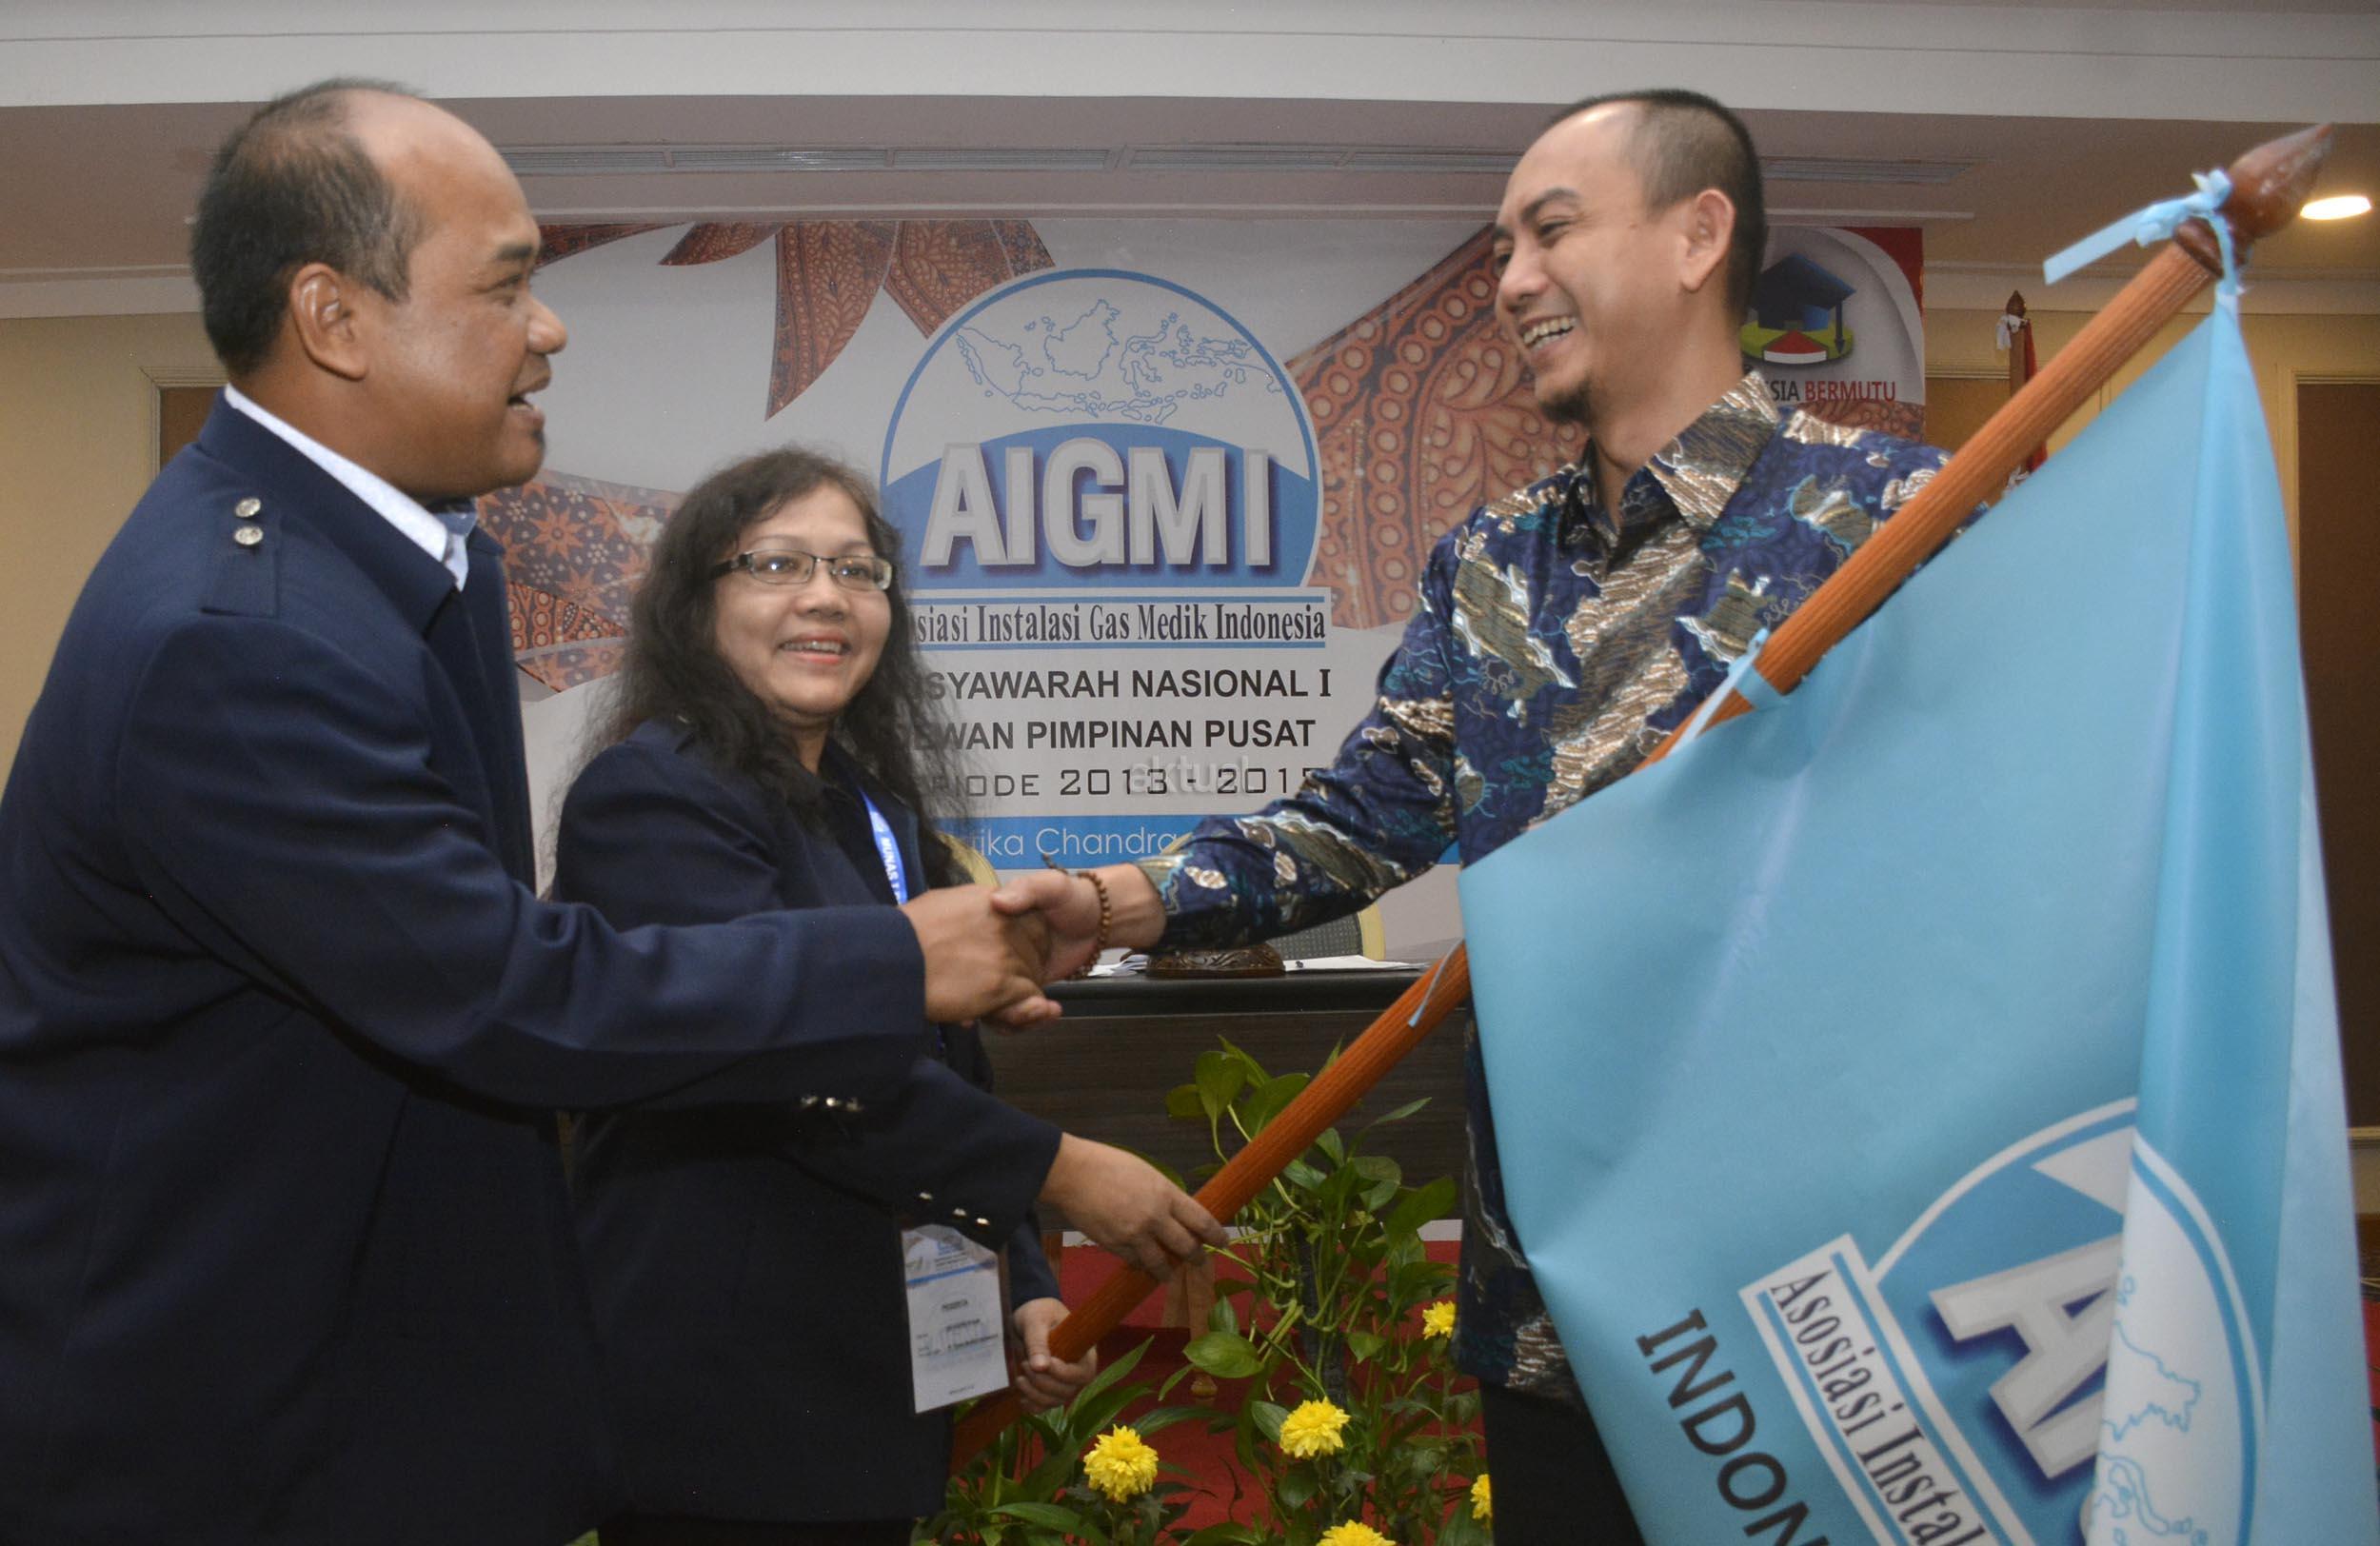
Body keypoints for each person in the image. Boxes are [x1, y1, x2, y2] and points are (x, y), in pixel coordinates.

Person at [0, 81, 1142, 1546]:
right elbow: (499, 989)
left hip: (388, 1378)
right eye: (506, 285)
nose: (549, 328)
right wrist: (896, 962)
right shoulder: (242, 632)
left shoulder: (413, 564)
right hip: (242, 1413)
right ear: (334, 318)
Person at [1001, 89, 1955, 1543]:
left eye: (1550, 230)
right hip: (1554, 1306)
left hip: (1818, 1298)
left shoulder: (1897, 520)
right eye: (1503, 245)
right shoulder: (1492, 562)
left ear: (1700, 235)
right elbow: (1362, 817)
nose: (1509, 279)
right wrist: (1115, 902)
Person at [554, 448, 1223, 1546]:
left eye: (857, 570)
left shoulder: (872, 809)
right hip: (726, 1411)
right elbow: (786, 1066)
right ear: (696, 604)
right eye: (777, 563)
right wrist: (1059, 1168)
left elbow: (944, 1065)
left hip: (862, 1393)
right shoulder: (653, 797)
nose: (825, 597)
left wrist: (1023, 1278)